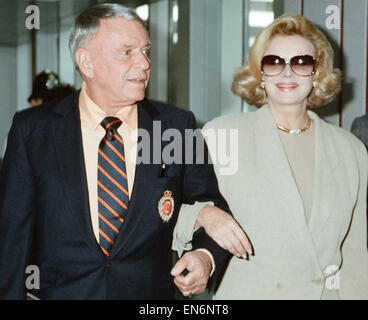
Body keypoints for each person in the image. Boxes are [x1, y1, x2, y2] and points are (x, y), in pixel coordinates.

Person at [0, 3, 251, 300]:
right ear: (86, 62)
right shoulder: (34, 130)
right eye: (127, 52)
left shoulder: (173, 127)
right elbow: (12, 237)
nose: (144, 63)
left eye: (146, 51)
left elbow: (210, 205)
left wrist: (205, 257)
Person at [173, 13, 368, 299]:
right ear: (260, 74)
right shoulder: (221, 136)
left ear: (317, 73)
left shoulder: (351, 150)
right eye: (274, 63)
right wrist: (203, 214)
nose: (287, 73)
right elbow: (163, 209)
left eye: (301, 63)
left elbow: (353, 256)